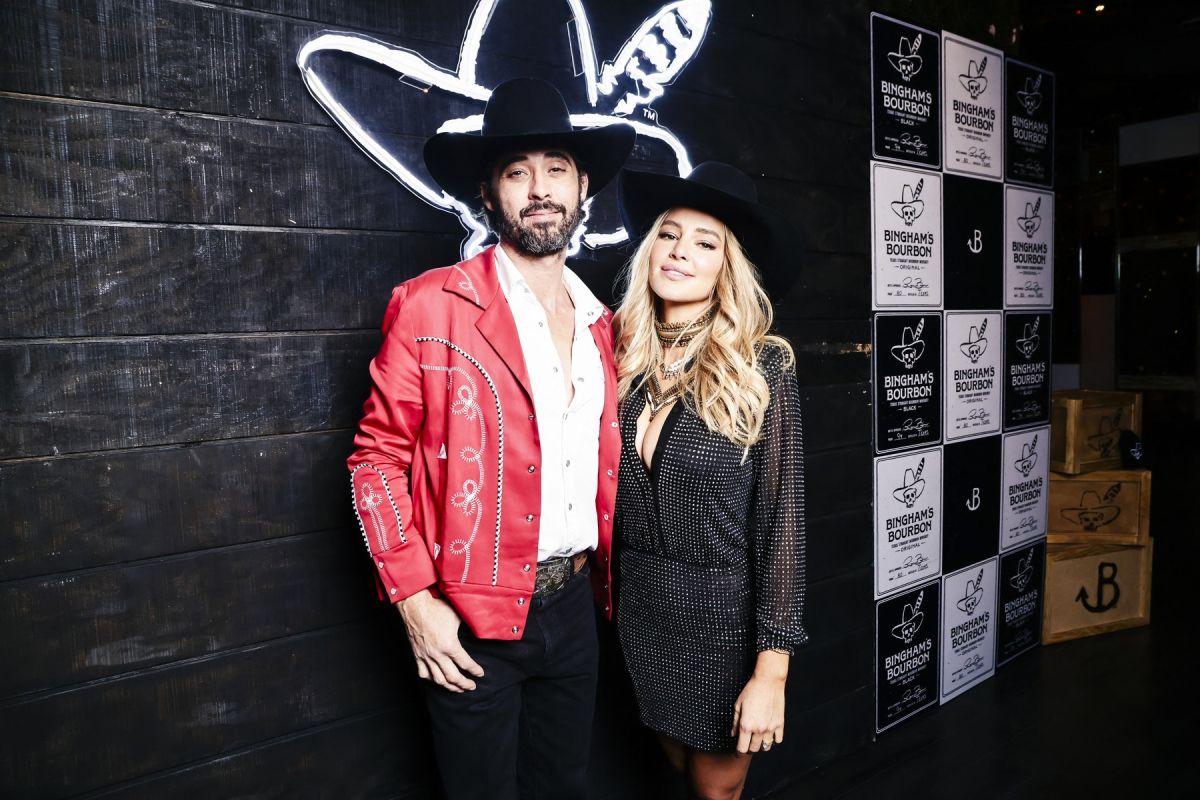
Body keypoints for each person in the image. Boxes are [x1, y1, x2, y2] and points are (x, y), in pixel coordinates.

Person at [345, 77, 634, 800]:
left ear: (583, 186)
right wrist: (415, 603)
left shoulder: (604, 325)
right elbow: (374, 461)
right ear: (488, 193)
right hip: (471, 617)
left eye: (556, 169)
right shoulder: (429, 304)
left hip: (574, 608)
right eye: (516, 173)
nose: (540, 190)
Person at [612, 162, 807, 800]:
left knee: (715, 789)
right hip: (640, 613)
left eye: (705, 243)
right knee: (679, 770)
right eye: (669, 235)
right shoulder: (621, 358)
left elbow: (783, 524)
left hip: (723, 622)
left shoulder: (763, 366)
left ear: (729, 268)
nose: (679, 252)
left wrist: (771, 672)